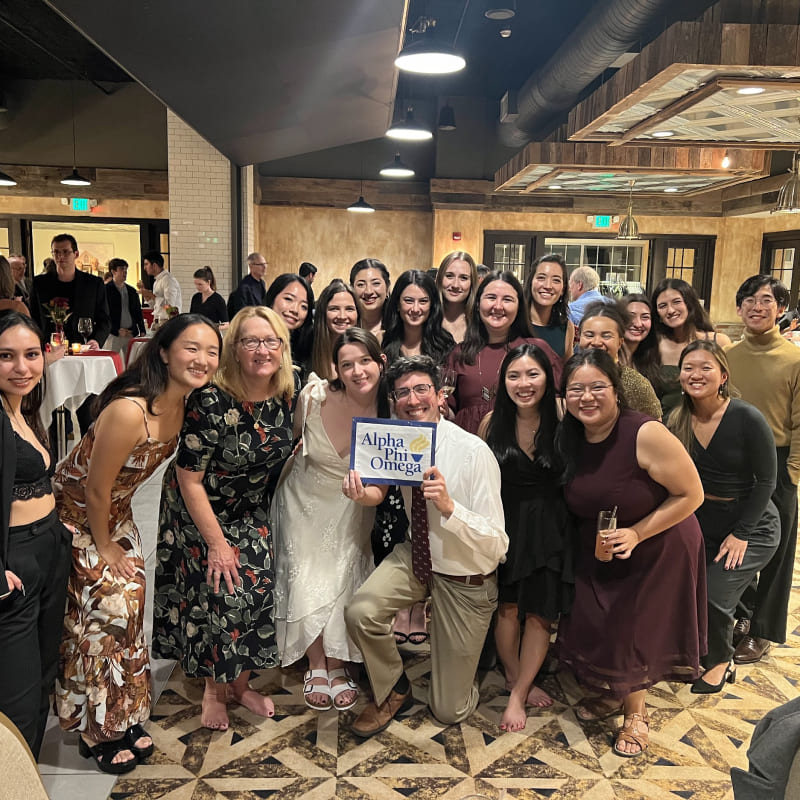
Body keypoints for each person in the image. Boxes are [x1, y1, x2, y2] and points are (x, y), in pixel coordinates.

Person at [55, 314, 221, 774]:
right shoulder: (129, 410)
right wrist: (106, 548)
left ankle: (121, 713)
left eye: (211, 351)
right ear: (164, 351)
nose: (202, 359)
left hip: (116, 512)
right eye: (191, 348)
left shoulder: (188, 403)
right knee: (109, 604)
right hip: (73, 517)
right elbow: (93, 489)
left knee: (133, 604)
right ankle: (94, 727)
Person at [343, 355, 508, 736]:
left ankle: (467, 659)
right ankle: (394, 688)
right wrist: (357, 491)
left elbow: (498, 544)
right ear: (394, 400)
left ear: (440, 395)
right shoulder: (394, 442)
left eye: (421, 389)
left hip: (466, 573)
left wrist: (450, 508)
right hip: (418, 555)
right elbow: (376, 492)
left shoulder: (472, 453)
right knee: (361, 612)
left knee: (448, 710)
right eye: (402, 392)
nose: (412, 400)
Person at [556, 349, 706, 757]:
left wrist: (638, 534)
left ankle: (636, 713)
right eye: (576, 389)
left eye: (597, 387)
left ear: (616, 390)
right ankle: (616, 691)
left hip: (659, 540)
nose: (587, 397)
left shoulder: (644, 433)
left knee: (628, 625)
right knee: (597, 619)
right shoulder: (570, 436)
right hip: (604, 541)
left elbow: (692, 494)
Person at [153, 306, 296, 732]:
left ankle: (241, 684)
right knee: (221, 592)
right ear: (234, 348)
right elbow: (189, 478)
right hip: (200, 507)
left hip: (251, 506)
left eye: (271, 341)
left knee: (260, 591)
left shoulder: (290, 390)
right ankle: (215, 691)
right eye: (250, 341)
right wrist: (216, 543)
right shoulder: (211, 400)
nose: (262, 350)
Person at [273, 328, 387, 711]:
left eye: (365, 361)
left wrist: (361, 496)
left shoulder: (388, 409)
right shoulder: (314, 396)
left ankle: (338, 662)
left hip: (353, 501)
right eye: (346, 364)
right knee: (305, 569)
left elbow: (380, 489)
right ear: (335, 369)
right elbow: (289, 443)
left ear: (380, 362)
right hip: (302, 496)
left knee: (341, 571)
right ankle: (317, 662)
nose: (357, 371)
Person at [668, 341, 779, 693]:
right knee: (687, 586)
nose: (696, 374)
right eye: (688, 368)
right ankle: (692, 648)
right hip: (704, 520)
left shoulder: (746, 417)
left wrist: (743, 533)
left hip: (753, 523)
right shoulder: (676, 416)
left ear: (723, 376)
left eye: (705, 367)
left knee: (714, 595)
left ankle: (720, 660)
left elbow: (768, 481)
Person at [478, 344, 573, 732]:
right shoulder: (490, 423)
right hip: (507, 524)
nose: (523, 383)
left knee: (540, 614)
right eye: (514, 375)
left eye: (532, 374)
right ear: (503, 381)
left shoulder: (565, 416)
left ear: (548, 377)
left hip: (552, 526)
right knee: (508, 607)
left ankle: (518, 695)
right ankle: (515, 676)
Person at [0, 313, 70, 759]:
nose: (22, 367)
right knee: (18, 694)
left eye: (31, 355)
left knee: (45, 671)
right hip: (15, 557)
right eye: (6, 356)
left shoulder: (22, 409)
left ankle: (27, 775)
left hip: (47, 545)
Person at [725, 275, 800, 666]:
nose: (757, 306)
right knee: (734, 545)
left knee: (778, 550)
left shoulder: (794, 359)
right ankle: (743, 614)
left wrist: (793, 471)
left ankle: (762, 631)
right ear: (739, 308)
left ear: (781, 308)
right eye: (749, 300)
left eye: (767, 300)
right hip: (735, 465)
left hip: (781, 462)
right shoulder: (729, 357)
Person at [446, 270, 562, 434]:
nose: (498, 306)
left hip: (521, 448)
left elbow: (560, 401)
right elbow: (450, 411)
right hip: (468, 448)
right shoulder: (460, 353)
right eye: (491, 298)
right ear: (478, 303)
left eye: (507, 299)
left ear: (519, 306)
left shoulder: (537, 349)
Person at [652, 278, 731, 417]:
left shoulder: (718, 341)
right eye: (662, 305)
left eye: (676, 302)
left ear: (689, 304)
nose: (670, 310)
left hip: (710, 422)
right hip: (665, 426)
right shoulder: (653, 346)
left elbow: (729, 389)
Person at [578, 301, 661, 419]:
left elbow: (656, 428)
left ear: (620, 342)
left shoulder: (637, 384)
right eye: (589, 335)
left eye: (606, 336)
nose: (596, 342)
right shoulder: (571, 375)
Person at [30, 234, 110, 349]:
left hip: (83, 347)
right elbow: (33, 318)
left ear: (76, 254)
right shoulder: (40, 283)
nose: (60, 256)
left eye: (66, 252)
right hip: (49, 349)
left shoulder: (93, 283)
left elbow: (104, 319)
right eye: (56, 252)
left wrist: (96, 340)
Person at [382, 270, 455, 365]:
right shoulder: (382, 341)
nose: (415, 309)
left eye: (423, 301)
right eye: (409, 301)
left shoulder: (446, 345)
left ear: (432, 305)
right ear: (397, 304)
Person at [524, 254, 574, 358]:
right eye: (541, 278)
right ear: (531, 283)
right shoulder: (514, 322)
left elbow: (568, 371)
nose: (547, 286)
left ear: (563, 289)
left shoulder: (566, 327)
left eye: (556, 280)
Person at [265, 273, 314, 375]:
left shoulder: (304, 345)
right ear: (272, 298)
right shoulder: (253, 339)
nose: (295, 310)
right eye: (288, 299)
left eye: (304, 306)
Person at [311, 279, 360, 381]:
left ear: (358, 314)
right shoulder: (308, 352)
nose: (342, 316)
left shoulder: (368, 352)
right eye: (334, 309)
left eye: (349, 309)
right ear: (323, 313)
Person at [619, 293, 664, 395]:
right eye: (630, 316)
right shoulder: (609, 359)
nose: (638, 324)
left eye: (645, 317)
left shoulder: (652, 360)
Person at [104, 258, 146, 360]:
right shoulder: (105, 290)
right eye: (121, 269)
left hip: (130, 333)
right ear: (113, 271)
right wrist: (115, 330)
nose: (125, 272)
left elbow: (137, 311)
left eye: (126, 269)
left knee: (132, 363)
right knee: (112, 362)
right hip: (114, 334)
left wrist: (142, 329)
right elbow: (103, 314)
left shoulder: (131, 291)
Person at [435, 251, 478, 344]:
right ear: (439, 279)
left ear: (472, 283)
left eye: (463, 278)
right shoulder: (427, 319)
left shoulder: (480, 322)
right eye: (449, 276)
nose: (455, 285)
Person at [138, 251, 182, 325]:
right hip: (158, 321)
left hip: (169, 322)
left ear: (154, 265)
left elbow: (170, 308)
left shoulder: (168, 280)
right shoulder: (156, 282)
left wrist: (151, 295)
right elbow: (156, 306)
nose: (144, 268)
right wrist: (146, 294)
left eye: (146, 264)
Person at [350, 259, 390, 340]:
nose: (368, 291)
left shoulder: (400, 327)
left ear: (387, 288)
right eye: (361, 285)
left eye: (376, 283)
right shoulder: (346, 326)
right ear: (351, 289)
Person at [227, 253, 268, 318]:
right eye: (261, 264)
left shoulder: (262, 283)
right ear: (251, 266)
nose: (265, 267)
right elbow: (242, 311)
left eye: (265, 264)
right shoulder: (244, 286)